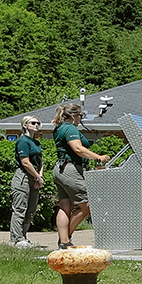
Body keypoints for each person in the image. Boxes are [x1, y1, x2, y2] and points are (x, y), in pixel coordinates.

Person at [51, 103, 108, 250]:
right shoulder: (69, 128)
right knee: (86, 205)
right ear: (73, 115)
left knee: (65, 206)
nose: (81, 118)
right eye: (80, 116)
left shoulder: (59, 128)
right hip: (70, 169)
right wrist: (98, 157)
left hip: (60, 169)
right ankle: (65, 239)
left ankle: (64, 242)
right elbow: (78, 149)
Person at [10, 116, 46, 248]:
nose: (36, 125)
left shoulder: (36, 143)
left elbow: (40, 162)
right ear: (25, 125)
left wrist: (39, 178)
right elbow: (25, 162)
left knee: (31, 210)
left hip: (35, 178)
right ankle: (17, 239)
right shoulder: (23, 142)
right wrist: (37, 176)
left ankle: (23, 236)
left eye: (38, 123)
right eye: (33, 123)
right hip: (23, 177)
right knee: (20, 208)